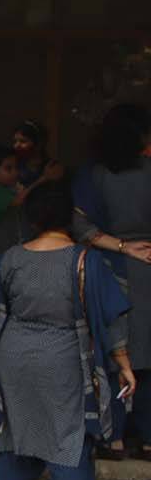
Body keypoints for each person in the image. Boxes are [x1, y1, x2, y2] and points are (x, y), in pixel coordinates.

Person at [0, 181, 135, 480]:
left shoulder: (10, 258)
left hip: (12, 355)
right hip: (63, 355)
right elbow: (112, 318)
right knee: (70, 435)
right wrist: (124, 364)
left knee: (14, 432)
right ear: (70, 218)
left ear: (32, 218)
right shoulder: (86, 260)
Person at [72, 102, 151, 460]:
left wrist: (121, 245)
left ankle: (112, 435)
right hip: (147, 266)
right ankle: (148, 438)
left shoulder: (92, 174)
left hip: (107, 269)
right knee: (147, 354)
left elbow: (79, 226)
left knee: (109, 354)